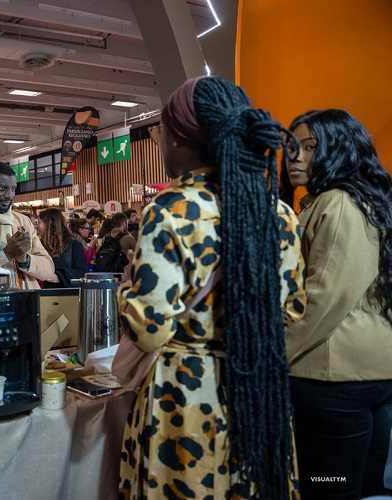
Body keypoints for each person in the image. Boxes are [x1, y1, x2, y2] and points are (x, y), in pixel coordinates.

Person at [117, 76, 307, 498]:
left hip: (183, 397)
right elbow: (291, 309)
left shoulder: (170, 210)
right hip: (259, 390)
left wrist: (123, 291)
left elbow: (149, 328)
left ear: (181, 141)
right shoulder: (277, 212)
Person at [282, 109, 392, 499]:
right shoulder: (358, 199)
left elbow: (324, 297)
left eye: (310, 148)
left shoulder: (337, 202)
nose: (296, 157)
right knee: (360, 488)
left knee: (326, 488)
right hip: (363, 373)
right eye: (292, 147)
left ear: (339, 149)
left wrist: (275, 354)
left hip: (332, 377)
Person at [36, 208, 87, 288]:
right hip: (41, 294)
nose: (36, 226)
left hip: (64, 296)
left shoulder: (74, 245)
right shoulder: (40, 245)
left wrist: (59, 276)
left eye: (39, 222)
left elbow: (82, 273)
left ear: (50, 224)